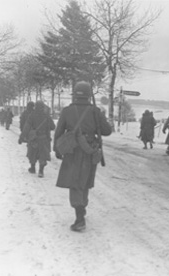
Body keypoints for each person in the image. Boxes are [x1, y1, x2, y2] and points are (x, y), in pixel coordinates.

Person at [53, 81, 112, 232]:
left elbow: (59, 131)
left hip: (72, 151)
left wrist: (57, 150)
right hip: (89, 151)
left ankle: (80, 218)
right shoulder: (95, 111)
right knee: (85, 181)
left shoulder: (67, 111)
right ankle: (82, 209)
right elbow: (107, 131)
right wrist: (101, 118)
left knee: (75, 183)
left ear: (75, 95)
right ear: (88, 96)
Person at [19, 101, 55, 177]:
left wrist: (21, 137)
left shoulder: (32, 115)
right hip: (44, 139)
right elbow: (53, 127)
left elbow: (26, 127)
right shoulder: (47, 116)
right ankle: (41, 171)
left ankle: (32, 168)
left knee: (32, 153)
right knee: (43, 155)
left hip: (33, 139)